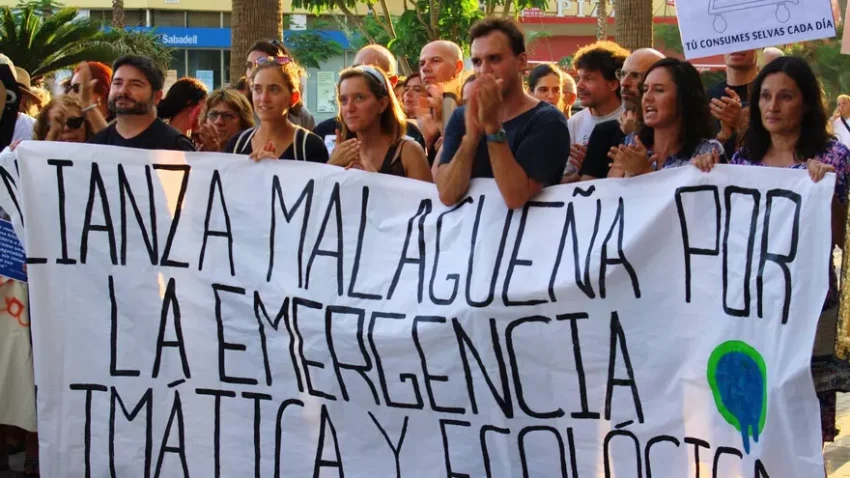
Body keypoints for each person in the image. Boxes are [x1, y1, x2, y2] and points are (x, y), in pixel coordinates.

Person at [692, 56, 850, 447]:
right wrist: (705, 170)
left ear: (807, 104)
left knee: (802, 425)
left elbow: (840, 238)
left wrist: (827, 194)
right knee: (753, 414)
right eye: (765, 96)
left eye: (785, 97)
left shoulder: (833, 157)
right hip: (750, 306)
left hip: (807, 306)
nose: (772, 106)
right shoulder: (743, 159)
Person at [437, 17, 570, 209]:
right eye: (477, 61)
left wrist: (492, 127)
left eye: (494, 59)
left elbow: (515, 197)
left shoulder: (548, 121)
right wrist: (471, 139)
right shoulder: (461, 116)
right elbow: (447, 194)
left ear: (521, 62)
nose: (484, 70)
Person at [608, 58, 722, 177]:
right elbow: (611, 187)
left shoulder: (706, 152)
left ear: (684, 98)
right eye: (645, 90)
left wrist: (644, 172)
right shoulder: (631, 143)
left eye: (659, 90)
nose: (647, 97)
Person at [313, 45, 427, 155]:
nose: (350, 107)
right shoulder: (322, 133)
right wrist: (333, 163)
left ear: (391, 82)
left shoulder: (410, 137)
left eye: (372, 72)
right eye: (356, 69)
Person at [329, 66, 431, 181]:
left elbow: (425, 193)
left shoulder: (409, 152)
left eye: (359, 98)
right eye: (343, 100)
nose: (349, 108)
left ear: (382, 104)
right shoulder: (339, 153)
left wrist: (374, 179)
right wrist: (331, 165)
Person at [580, 48, 665, 180]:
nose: (624, 82)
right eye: (622, 74)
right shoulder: (605, 133)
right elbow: (588, 189)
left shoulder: (679, 137)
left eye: (635, 75)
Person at [226, 55, 327, 162]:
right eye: (258, 89)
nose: (264, 98)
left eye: (274, 89)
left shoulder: (310, 147)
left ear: (294, 98)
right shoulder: (237, 144)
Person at [88, 55, 196, 151]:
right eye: (117, 83)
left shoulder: (176, 146)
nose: (123, 91)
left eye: (136, 85)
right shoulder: (96, 145)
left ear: (157, 97)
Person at [567, 41, 630, 179]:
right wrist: (585, 170)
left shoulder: (629, 119)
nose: (579, 85)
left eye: (588, 78)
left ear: (613, 84)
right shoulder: (574, 123)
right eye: (579, 78)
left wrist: (594, 165)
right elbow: (561, 180)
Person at [246, 40, 316, 130]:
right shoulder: (238, 111)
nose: (252, 73)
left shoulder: (302, 117)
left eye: (262, 63)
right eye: (249, 66)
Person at [417, 40, 466, 161]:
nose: (425, 68)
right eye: (422, 63)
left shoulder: (470, 107)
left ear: (458, 67)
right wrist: (426, 142)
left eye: (435, 61)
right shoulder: (422, 113)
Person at [707, 50, 756, 152]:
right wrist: (722, 136)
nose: (736, 47)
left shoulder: (770, 94)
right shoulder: (707, 96)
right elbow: (697, 154)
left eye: (743, 41)